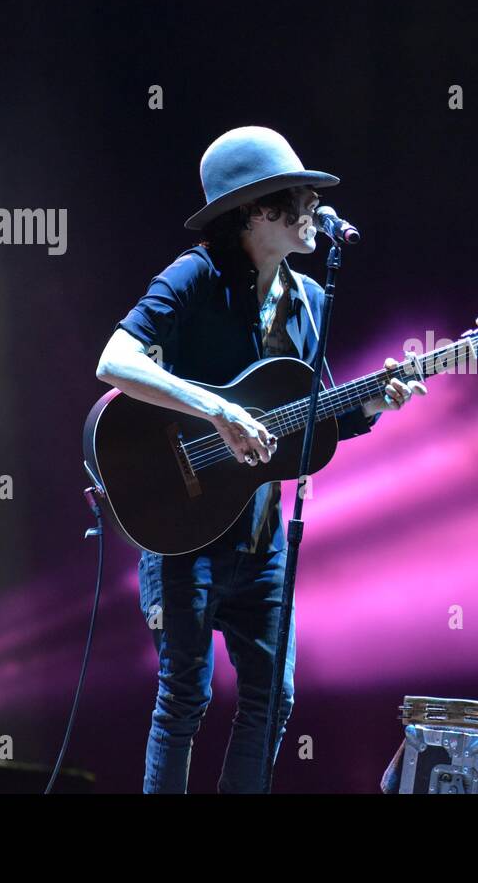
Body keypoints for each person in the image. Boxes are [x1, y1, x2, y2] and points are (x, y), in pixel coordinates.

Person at [96, 126, 427, 792]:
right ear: (254, 211)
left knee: (273, 699)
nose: (313, 206)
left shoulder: (308, 301)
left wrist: (374, 406)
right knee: (184, 698)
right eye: (298, 195)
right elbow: (115, 360)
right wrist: (215, 410)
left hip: (260, 542)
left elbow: (312, 424)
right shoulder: (194, 277)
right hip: (183, 528)